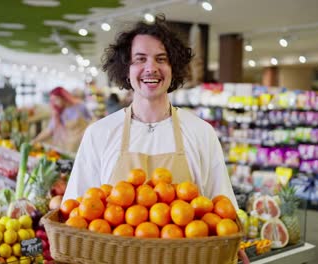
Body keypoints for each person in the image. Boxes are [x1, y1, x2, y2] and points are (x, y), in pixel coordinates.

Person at [63, 15, 249, 263]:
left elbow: (221, 205)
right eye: (140, 59)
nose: (151, 68)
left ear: (174, 69)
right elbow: (76, 212)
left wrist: (234, 244)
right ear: (126, 71)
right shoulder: (100, 133)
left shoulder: (200, 132)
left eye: (161, 59)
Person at [32, 86, 91, 153]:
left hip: (85, 143)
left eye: (56, 99)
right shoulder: (59, 113)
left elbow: (91, 121)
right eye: (52, 100)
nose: (54, 103)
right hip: (71, 146)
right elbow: (49, 130)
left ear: (63, 97)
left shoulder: (81, 106)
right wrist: (35, 141)